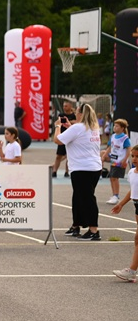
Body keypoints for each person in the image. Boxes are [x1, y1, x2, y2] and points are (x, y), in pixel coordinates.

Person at [56, 103, 103, 240]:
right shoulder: (93, 127)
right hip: (93, 167)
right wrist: (70, 128)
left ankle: (94, 230)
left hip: (82, 168)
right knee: (78, 196)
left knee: (87, 198)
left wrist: (58, 127)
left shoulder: (78, 127)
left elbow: (57, 140)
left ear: (81, 114)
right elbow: (80, 136)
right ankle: (76, 225)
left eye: (77, 112)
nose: (75, 114)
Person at [111, 146, 138, 281]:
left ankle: (132, 270)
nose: (134, 159)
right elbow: (133, 191)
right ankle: (132, 271)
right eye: (133, 156)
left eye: (137, 157)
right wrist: (121, 204)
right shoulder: (132, 172)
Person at [103, 119, 130, 203]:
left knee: (115, 178)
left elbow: (129, 149)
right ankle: (114, 194)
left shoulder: (124, 138)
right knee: (111, 178)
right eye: (114, 125)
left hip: (120, 161)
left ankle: (116, 195)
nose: (115, 127)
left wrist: (125, 160)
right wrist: (105, 155)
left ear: (122, 128)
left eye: (117, 126)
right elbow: (110, 147)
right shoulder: (113, 136)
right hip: (113, 160)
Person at [52, 100, 77, 178]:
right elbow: (59, 122)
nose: (64, 107)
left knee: (68, 156)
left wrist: (69, 121)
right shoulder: (61, 115)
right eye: (63, 106)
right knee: (58, 156)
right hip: (62, 137)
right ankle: (54, 171)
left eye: (66, 106)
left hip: (70, 138)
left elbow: (76, 122)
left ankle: (67, 172)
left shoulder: (74, 115)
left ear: (70, 106)